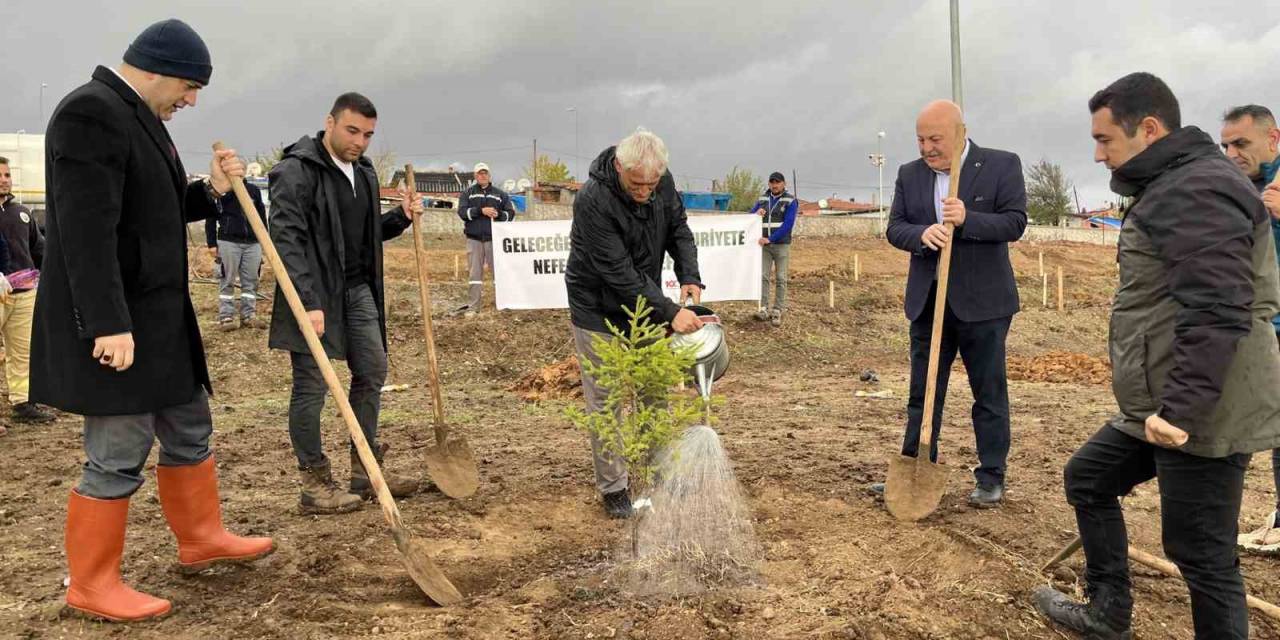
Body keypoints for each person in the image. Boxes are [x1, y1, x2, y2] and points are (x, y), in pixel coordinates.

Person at [30, 19, 275, 622]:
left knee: (190, 427)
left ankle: (201, 538)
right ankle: (90, 583)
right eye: (189, 87)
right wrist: (107, 324)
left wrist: (211, 191)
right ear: (158, 69)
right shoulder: (90, 113)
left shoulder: (138, 117)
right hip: (120, 325)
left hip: (162, 322)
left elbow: (152, 213)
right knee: (117, 451)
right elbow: (86, 233)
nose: (190, 101)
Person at [1034, 72, 1280, 640]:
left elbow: (1219, 307)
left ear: (1148, 129)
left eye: (1105, 141)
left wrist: (1181, 413)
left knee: (1202, 553)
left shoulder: (1193, 188)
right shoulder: (1176, 181)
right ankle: (1107, 613)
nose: (1097, 155)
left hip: (1203, 404)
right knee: (1090, 477)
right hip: (1167, 396)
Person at [268, 92, 424, 515]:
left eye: (368, 135)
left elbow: (365, 234)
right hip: (314, 295)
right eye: (352, 130)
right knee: (311, 387)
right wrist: (307, 301)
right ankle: (315, 484)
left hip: (358, 293)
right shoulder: (296, 172)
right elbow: (286, 241)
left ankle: (366, 469)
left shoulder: (365, 173)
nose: (359, 141)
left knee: (372, 371)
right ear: (330, 123)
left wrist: (401, 218)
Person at [876, 100, 1027, 508]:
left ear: (960, 132)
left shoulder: (1001, 164)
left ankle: (992, 475)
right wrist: (922, 234)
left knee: (988, 394)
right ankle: (915, 463)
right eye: (921, 139)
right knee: (923, 392)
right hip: (929, 302)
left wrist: (969, 219)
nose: (927, 148)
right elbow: (895, 228)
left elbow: (1015, 222)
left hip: (984, 305)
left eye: (935, 139)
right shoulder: (910, 174)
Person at [564, 128, 704, 518]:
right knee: (605, 400)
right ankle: (614, 489)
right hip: (597, 306)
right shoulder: (593, 200)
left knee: (653, 390)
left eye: (651, 184)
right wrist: (671, 312)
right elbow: (618, 272)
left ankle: (659, 472)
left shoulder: (663, 182)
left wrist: (689, 274)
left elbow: (678, 228)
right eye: (636, 184)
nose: (644, 192)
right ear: (619, 167)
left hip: (646, 304)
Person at [1220, 104, 1280, 554]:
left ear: (1273, 139)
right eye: (1225, 145)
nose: (1231, 152)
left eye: (1241, 143)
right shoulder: (1243, 187)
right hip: (1259, 326)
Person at [0, 159, 43, 424]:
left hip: (24, 293)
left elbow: (38, 248)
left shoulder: (22, 213)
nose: (4, 179)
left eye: (7, 174)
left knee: (22, 350)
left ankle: (23, 401)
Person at [451, 162, 515, 317]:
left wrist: (498, 215)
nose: (483, 175)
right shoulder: (468, 193)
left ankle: (503, 304)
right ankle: (473, 307)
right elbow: (462, 213)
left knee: (498, 273)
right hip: (474, 239)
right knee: (475, 275)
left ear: (489, 175)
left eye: (485, 173)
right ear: (475, 176)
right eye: (480, 173)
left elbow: (510, 214)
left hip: (494, 239)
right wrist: (481, 211)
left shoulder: (500, 194)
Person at [205, 180, 267, 331]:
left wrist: (264, 240)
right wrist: (212, 243)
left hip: (253, 243)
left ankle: (248, 316)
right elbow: (211, 217)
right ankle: (226, 316)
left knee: (251, 280)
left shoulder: (253, 190)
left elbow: (261, 215)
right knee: (228, 278)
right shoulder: (222, 191)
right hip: (229, 241)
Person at [748, 172, 798, 327]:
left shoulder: (790, 201)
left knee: (781, 278)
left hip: (781, 245)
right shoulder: (763, 199)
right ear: (769, 184)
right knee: (763, 277)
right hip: (764, 246)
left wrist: (771, 238)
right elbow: (749, 217)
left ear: (784, 183)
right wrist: (756, 214)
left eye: (778, 182)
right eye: (772, 182)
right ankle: (763, 308)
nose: (774, 185)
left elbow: (788, 224)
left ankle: (778, 310)